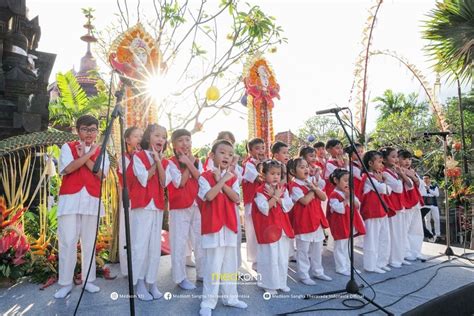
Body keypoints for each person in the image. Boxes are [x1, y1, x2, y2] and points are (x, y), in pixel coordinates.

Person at [54, 115, 110, 299]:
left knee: (89, 243)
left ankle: (88, 280)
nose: (89, 133)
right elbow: (68, 169)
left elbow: (101, 174)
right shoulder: (67, 147)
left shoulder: (102, 151)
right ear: (77, 130)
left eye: (93, 129)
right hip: (70, 200)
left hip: (91, 199)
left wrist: (84, 157)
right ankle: (65, 283)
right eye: (85, 129)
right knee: (68, 241)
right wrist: (86, 155)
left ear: (97, 132)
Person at [198, 139, 247, 316]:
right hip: (213, 227)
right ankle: (208, 302)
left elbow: (235, 198)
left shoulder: (232, 178)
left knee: (229, 265)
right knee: (213, 266)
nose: (227, 156)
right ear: (212, 155)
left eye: (230, 154)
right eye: (222, 152)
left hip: (229, 226)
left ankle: (230, 298)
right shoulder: (204, 177)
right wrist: (220, 180)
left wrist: (224, 181)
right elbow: (209, 196)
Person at [129, 124, 170, 300]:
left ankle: (152, 282)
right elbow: (144, 178)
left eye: (163, 136)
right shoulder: (138, 157)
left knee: (154, 246)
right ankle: (138, 283)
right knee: (140, 245)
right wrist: (154, 162)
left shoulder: (164, 160)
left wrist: (159, 161)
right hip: (142, 205)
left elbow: (164, 182)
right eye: (157, 135)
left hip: (157, 205)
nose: (161, 139)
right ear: (148, 138)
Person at [167, 129, 204, 290]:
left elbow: (201, 179)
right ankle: (180, 278)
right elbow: (179, 182)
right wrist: (189, 164)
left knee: (200, 240)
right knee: (179, 242)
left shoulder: (197, 160)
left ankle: (202, 273)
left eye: (188, 140)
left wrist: (190, 162)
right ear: (174, 145)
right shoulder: (169, 162)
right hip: (179, 206)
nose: (185, 144)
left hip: (196, 204)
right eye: (181, 140)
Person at [253, 160, 294, 294]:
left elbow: (288, 205)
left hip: (282, 228)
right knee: (269, 257)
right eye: (272, 173)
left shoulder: (283, 189)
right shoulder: (259, 191)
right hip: (268, 229)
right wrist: (275, 197)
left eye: (278, 174)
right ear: (263, 175)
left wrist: (277, 196)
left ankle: (281, 282)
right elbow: (264, 208)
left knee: (282, 257)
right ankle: (268, 284)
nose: (276, 176)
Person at [287, 158, 331, 283]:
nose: (306, 169)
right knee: (303, 251)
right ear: (292, 171)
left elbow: (323, 197)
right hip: (304, 222)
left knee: (318, 248)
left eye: (306, 166)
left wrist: (315, 188)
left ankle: (318, 271)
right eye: (301, 167)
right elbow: (304, 201)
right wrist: (313, 190)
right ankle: (304, 275)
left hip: (316, 220)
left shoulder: (311, 181)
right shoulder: (294, 186)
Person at [327, 168, 366, 276]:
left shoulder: (349, 192)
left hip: (349, 222)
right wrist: (346, 200)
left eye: (349, 180)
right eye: (345, 180)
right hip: (339, 224)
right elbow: (338, 209)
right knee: (340, 247)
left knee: (348, 246)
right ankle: (341, 267)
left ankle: (348, 266)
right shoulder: (334, 195)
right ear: (336, 180)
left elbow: (357, 205)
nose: (348, 183)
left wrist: (351, 197)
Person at [360, 151, 391, 274]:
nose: (381, 164)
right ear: (370, 163)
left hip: (381, 211)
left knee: (384, 238)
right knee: (372, 239)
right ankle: (370, 265)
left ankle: (381, 262)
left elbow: (389, 190)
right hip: (372, 212)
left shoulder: (378, 177)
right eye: (379, 161)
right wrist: (382, 183)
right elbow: (383, 189)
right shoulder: (367, 177)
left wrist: (382, 184)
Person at [381, 147, 412, 269]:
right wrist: (400, 175)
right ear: (384, 159)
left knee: (401, 233)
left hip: (400, 204)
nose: (395, 159)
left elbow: (409, 184)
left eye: (396, 156)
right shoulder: (384, 172)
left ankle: (400, 256)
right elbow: (398, 188)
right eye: (393, 157)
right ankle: (393, 259)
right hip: (392, 206)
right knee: (393, 234)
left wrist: (400, 174)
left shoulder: (394, 171)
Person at [117, 126, 142, 277]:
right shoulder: (123, 158)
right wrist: (137, 158)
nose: (139, 139)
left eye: (141, 136)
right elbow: (130, 178)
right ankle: (127, 269)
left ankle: (139, 266)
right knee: (128, 232)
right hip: (130, 199)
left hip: (143, 200)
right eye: (136, 136)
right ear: (127, 140)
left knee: (139, 234)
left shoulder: (145, 156)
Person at [242, 138, 266, 270]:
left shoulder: (265, 163)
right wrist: (262, 165)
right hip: (252, 201)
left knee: (262, 230)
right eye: (257, 148)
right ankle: (255, 260)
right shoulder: (248, 164)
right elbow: (260, 178)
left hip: (263, 201)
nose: (261, 151)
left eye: (262, 148)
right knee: (252, 231)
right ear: (250, 151)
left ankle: (263, 257)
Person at [398, 150, 424, 261]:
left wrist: (413, 177)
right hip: (405, 202)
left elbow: (420, 184)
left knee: (417, 228)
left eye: (409, 159)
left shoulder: (412, 171)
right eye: (404, 159)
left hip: (415, 202)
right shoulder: (397, 171)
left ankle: (416, 250)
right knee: (405, 228)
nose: (407, 162)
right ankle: (406, 251)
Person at [422, 174, 440, 242]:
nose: (425, 180)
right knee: (427, 220)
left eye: (426, 178)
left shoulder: (434, 186)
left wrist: (429, 190)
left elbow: (437, 194)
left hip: (434, 205)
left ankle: (438, 234)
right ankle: (430, 235)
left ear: (429, 179)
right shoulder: (422, 187)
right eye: (424, 178)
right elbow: (422, 194)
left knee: (437, 219)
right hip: (425, 205)